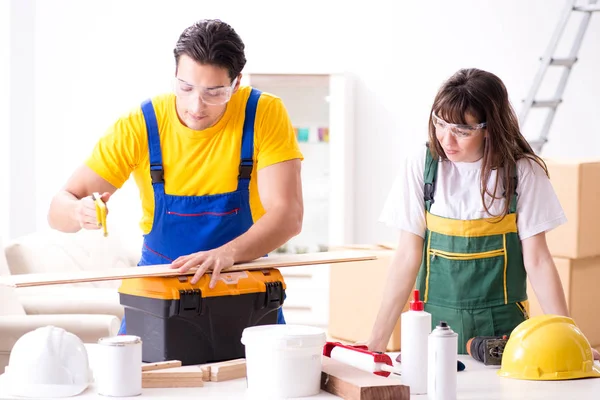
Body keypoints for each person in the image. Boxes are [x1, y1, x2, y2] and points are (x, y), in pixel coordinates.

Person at [47, 19, 304, 334]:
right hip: (161, 292)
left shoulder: (263, 114)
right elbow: (58, 210)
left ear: (236, 84)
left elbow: (288, 215)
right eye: (186, 88)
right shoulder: (140, 124)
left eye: (214, 92)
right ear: (175, 76)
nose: (196, 105)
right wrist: (78, 210)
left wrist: (227, 254)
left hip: (244, 289)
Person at [366, 67, 600, 360]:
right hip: (432, 332)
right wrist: (374, 345)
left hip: (504, 336)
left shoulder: (522, 172)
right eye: (440, 124)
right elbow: (406, 257)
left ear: (489, 128)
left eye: (462, 131)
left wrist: (570, 339)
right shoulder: (421, 166)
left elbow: (538, 260)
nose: (446, 140)